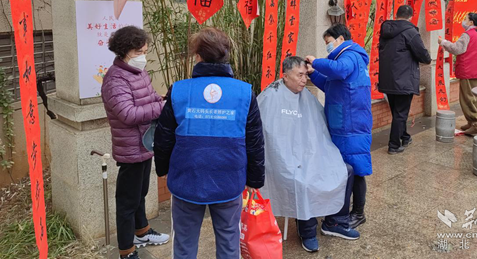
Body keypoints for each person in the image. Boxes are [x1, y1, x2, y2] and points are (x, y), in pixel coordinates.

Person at [153, 27, 265, 259]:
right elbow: (254, 140)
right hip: (229, 179)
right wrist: (255, 179)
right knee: (229, 243)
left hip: (187, 179)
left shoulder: (178, 90)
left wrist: (162, 168)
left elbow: (164, 136)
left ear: (198, 56)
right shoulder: (244, 92)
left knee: (184, 245)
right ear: (226, 55)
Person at [258, 56, 358, 253]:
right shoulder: (270, 97)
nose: (304, 80)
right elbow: (268, 138)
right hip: (282, 161)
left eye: (306, 75)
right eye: (300, 75)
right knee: (302, 180)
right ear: (285, 76)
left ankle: (335, 221)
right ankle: (307, 231)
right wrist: (290, 158)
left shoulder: (307, 97)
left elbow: (318, 127)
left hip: (311, 154)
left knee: (345, 170)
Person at [101, 26, 170, 259]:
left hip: (145, 142)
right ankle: (126, 251)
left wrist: (163, 99)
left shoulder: (138, 72)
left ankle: (142, 232)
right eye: (139, 52)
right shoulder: (115, 79)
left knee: (141, 192)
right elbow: (128, 114)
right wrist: (161, 107)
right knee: (127, 202)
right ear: (125, 51)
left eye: (145, 52)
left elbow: (150, 97)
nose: (143, 57)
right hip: (130, 147)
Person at [306, 23, 372, 230]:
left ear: (341, 39)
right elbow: (329, 85)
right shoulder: (345, 59)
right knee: (346, 169)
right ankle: (343, 210)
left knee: (357, 169)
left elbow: (340, 70)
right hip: (344, 124)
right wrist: (312, 73)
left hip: (352, 125)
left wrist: (315, 62)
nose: (327, 46)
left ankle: (358, 213)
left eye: (328, 42)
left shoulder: (350, 56)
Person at [379, 5, 431, 155]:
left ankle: (405, 137)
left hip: (388, 79)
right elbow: (423, 55)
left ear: (397, 15)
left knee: (397, 112)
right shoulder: (410, 32)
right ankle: (394, 145)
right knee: (401, 113)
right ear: (410, 17)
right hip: (403, 79)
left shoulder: (385, 30)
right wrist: (427, 59)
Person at [439, 12, 477, 136]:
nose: (463, 21)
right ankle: (471, 123)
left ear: (471, 22)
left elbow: (457, 49)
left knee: (467, 99)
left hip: (468, 70)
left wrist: (443, 42)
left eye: (465, 19)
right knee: (475, 98)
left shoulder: (467, 34)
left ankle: (475, 124)